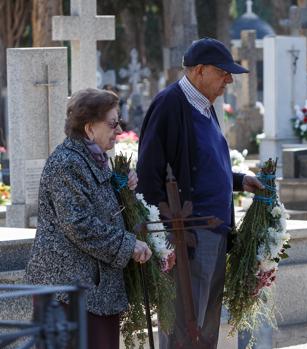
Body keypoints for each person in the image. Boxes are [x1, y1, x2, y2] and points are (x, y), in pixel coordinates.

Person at [136, 37, 263, 348]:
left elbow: (201, 163)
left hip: (212, 231)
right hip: (188, 235)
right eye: (223, 73)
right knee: (185, 324)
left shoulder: (204, 105)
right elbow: (149, 174)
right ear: (200, 71)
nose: (229, 80)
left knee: (205, 326)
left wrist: (238, 180)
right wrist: (165, 239)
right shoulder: (170, 104)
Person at [24, 88, 152, 349]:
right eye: (113, 123)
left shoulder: (93, 159)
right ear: (90, 127)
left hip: (91, 291)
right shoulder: (67, 162)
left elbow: (99, 207)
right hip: (66, 292)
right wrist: (128, 245)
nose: (118, 130)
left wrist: (122, 188)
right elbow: (78, 223)